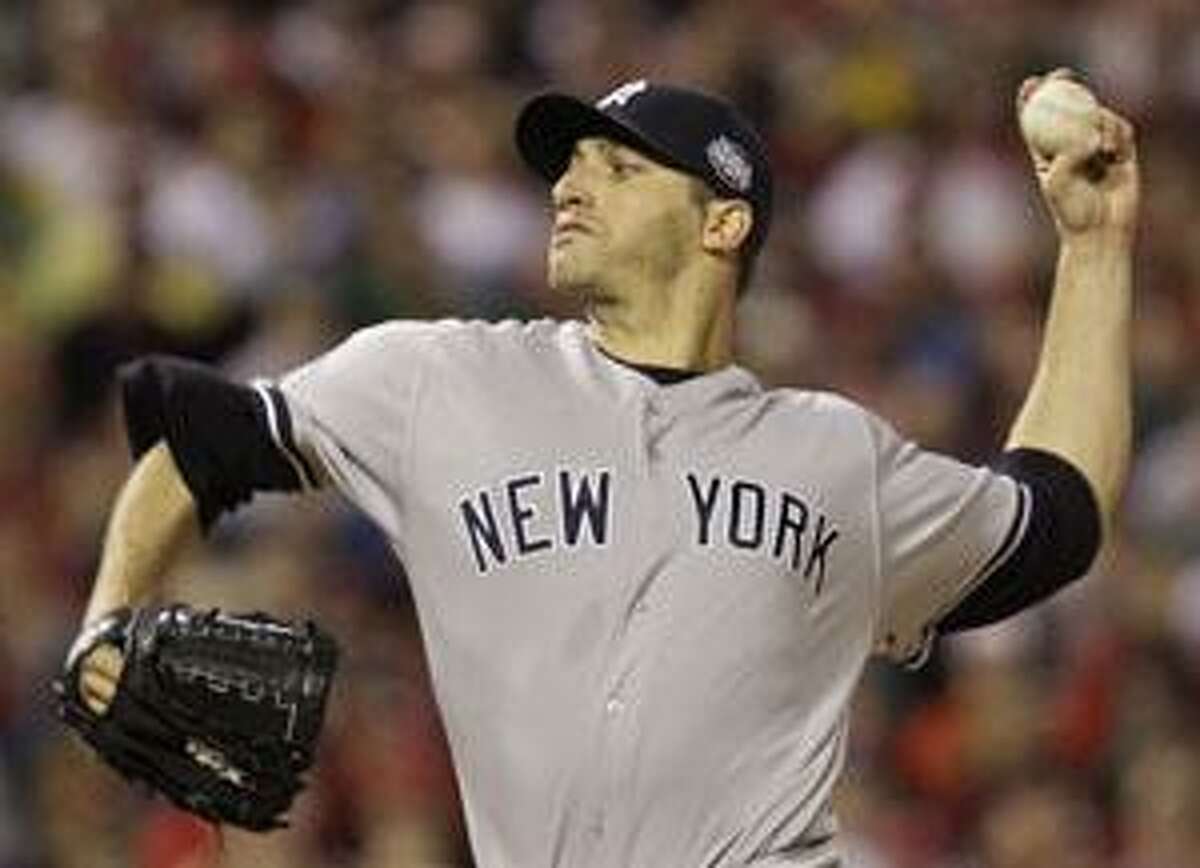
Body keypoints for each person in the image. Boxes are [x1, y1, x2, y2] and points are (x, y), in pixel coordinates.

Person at [71, 71, 1138, 867]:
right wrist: (108, 617)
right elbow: (196, 447)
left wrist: (1093, 247)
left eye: (620, 168)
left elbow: (1058, 514)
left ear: (724, 222)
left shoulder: (833, 454)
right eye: (571, 166)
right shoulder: (438, 378)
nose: (572, 185)